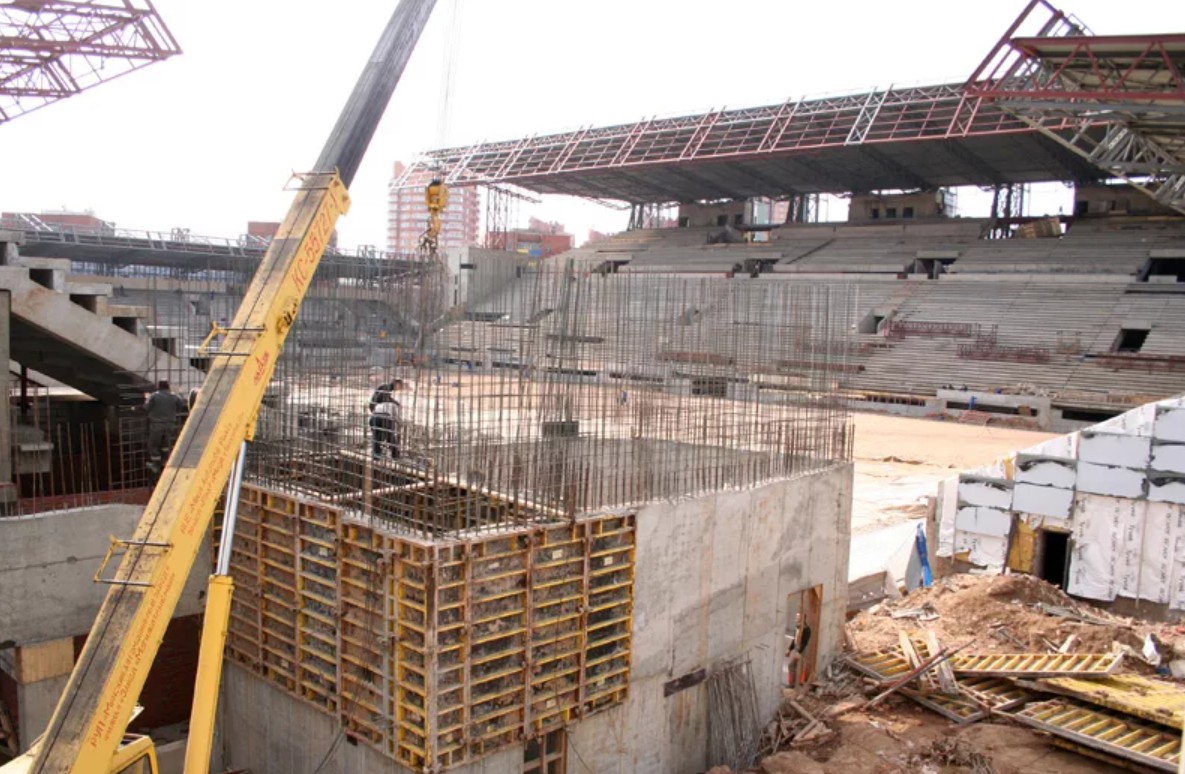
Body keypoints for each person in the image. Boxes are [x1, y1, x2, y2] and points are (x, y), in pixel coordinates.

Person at [144, 380, 187, 473]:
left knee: (154, 445)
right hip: (170, 424)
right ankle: (165, 461)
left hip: (157, 425)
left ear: (159, 386)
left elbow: (146, 408)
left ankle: (156, 465)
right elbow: (181, 406)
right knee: (165, 445)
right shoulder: (175, 396)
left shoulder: (154, 396)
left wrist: (146, 398)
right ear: (168, 386)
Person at [369, 377, 403, 459]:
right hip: (383, 415)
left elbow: (383, 398)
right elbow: (379, 398)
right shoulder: (387, 387)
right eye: (400, 386)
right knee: (390, 435)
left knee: (376, 436)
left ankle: (376, 455)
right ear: (396, 383)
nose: (399, 389)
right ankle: (395, 455)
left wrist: (394, 402)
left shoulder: (387, 389)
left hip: (375, 415)